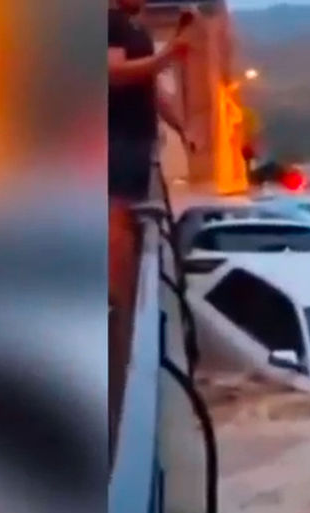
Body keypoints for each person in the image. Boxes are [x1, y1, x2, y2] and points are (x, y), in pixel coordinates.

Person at [107, 0, 190, 453]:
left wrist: (181, 127)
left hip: (135, 147)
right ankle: (115, 315)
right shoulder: (106, 22)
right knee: (117, 222)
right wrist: (168, 54)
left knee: (128, 222)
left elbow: (150, 90)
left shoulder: (130, 26)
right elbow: (114, 73)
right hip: (116, 146)